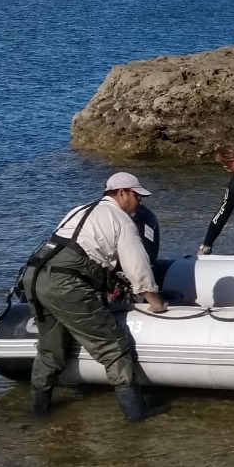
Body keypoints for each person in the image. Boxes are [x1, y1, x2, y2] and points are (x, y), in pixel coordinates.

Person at [19, 172, 170, 423]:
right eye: (136, 196)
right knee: (113, 347)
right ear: (121, 193)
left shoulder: (80, 210)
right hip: (66, 283)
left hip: (33, 276)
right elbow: (137, 267)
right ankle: (136, 413)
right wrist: (155, 302)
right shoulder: (121, 221)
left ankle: (38, 412)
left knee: (51, 348)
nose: (140, 202)